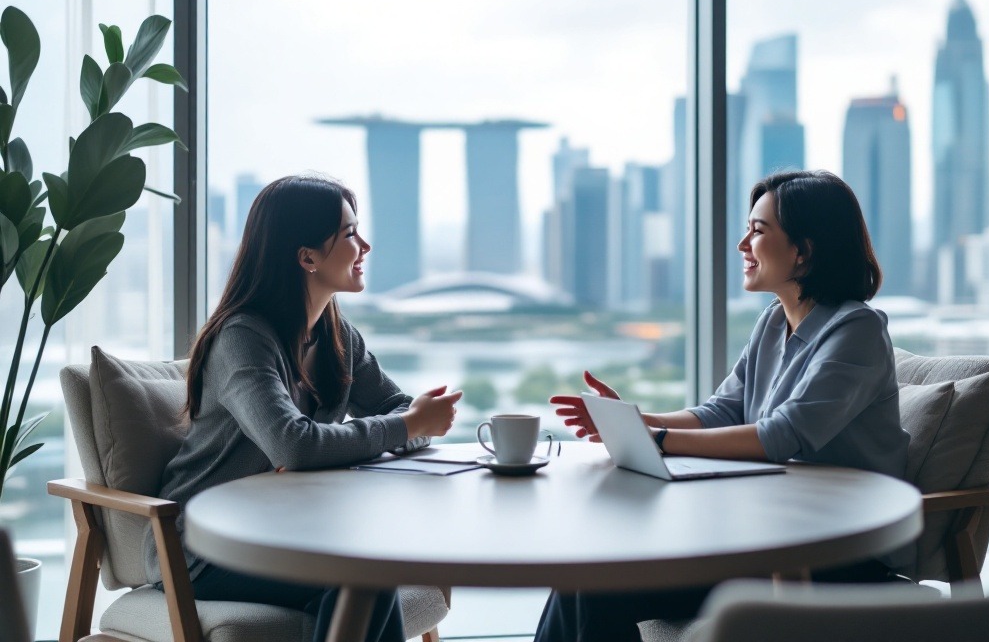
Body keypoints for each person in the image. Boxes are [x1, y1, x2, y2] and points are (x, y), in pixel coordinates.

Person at [535, 169, 910, 642]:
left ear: (804, 250)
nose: (742, 245)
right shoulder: (775, 322)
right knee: (587, 574)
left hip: (836, 552)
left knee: (599, 583)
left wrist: (659, 440)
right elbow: (722, 411)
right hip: (763, 536)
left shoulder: (858, 330)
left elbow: (781, 436)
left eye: (757, 231)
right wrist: (633, 420)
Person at [142, 174, 462, 642]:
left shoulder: (338, 335)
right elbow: (293, 445)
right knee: (364, 578)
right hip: (203, 546)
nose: (365, 245)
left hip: (292, 530)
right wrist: (405, 425)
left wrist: (408, 424)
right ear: (307, 257)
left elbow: (400, 410)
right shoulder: (243, 338)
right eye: (350, 234)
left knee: (368, 572)